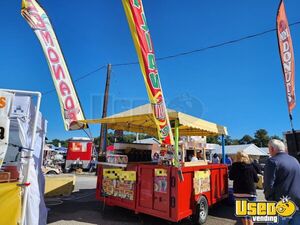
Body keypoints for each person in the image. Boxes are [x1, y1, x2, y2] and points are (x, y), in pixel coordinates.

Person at [264, 139, 300, 225]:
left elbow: (268, 185)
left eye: (269, 149)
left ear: (272, 149)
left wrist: (269, 199)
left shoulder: (272, 161)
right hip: (297, 203)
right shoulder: (294, 160)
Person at [229, 151, 258, 225]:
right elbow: (257, 179)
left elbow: (231, 177)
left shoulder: (234, 166)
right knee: (250, 215)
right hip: (250, 193)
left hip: (238, 193)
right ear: (246, 157)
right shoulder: (251, 166)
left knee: (243, 215)